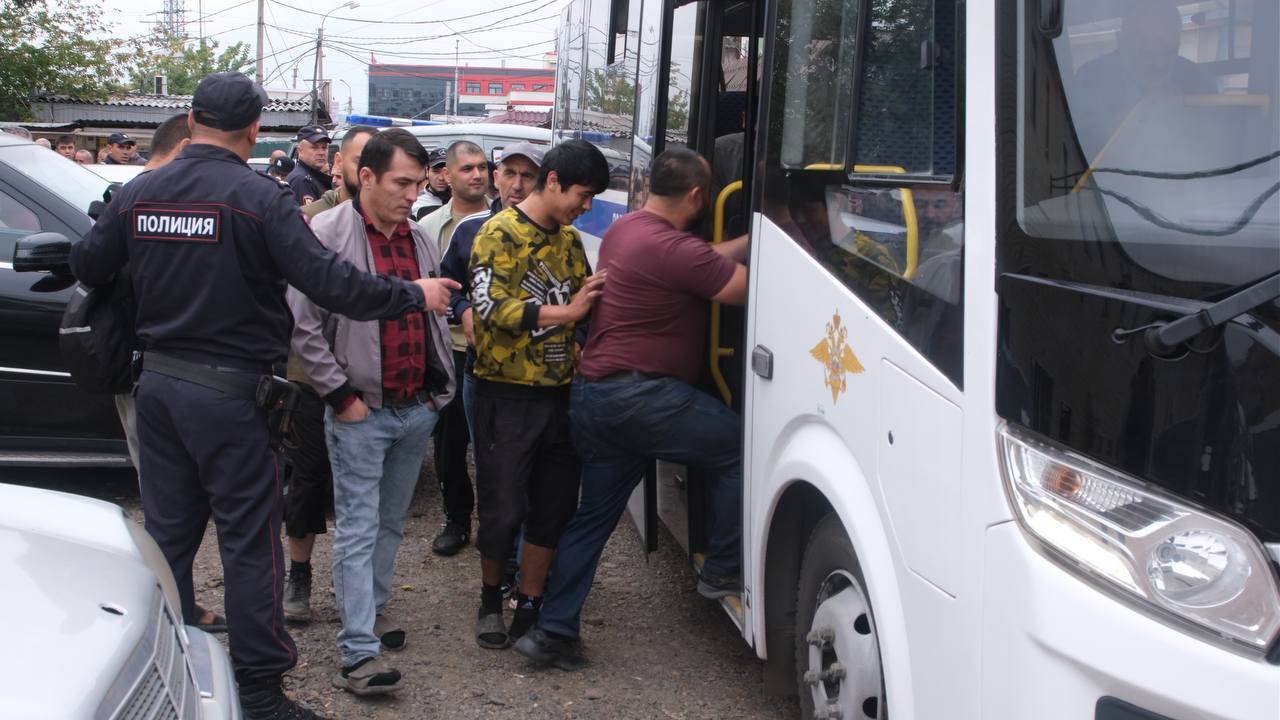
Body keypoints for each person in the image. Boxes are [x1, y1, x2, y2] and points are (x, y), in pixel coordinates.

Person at [67, 71, 456, 720]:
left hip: (159, 388)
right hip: (228, 397)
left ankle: (166, 644)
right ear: (253, 130)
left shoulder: (141, 192)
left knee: (167, 534)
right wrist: (413, 293)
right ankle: (257, 691)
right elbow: (332, 284)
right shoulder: (258, 198)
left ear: (191, 119)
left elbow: (87, 265)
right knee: (249, 543)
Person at [515, 148, 749, 670]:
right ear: (696, 196)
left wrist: (756, 241)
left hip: (597, 396)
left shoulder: (629, 230)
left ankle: (552, 632)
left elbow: (702, 257)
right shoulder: (675, 250)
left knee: (593, 519)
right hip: (643, 400)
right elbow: (743, 288)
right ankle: (723, 568)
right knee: (737, 447)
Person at [288, 128, 455, 696]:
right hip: (360, 409)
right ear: (366, 177)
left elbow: (436, 318)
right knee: (358, 527)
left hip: (415, 408)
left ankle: (370, 614)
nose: (413, 194)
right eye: (401, 183)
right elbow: (303, 326)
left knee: (389, 523)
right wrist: (341, 396)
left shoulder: (419, 237)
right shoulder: (326, 233)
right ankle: (358, 652)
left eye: (416, 183)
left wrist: (437, 396)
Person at [467, 138, 608, 650]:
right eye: (583, 194)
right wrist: (566, 315)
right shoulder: (497, 233)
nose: (585, 206)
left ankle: (529, 602)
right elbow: (490, 308)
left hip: (560, 396)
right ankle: (489, 599)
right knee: (502, 507)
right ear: (554, 182)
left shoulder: (570, 243)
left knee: (552, 507)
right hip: (504, 395)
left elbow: (585, 301)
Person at [281, 123, 377, 624]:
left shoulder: (391, 228)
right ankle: (298, 573)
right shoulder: (312, 219)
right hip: (312, 375)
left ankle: (358, 588)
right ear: (339, 164)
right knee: (309, 478)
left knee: (364, 488)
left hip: (369, 373)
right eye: (359, 161)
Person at [440, 141, 544, 433]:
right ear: (496, 177)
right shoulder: (471, 229)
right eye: (510, 173)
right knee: (490, 465)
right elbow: (446, 288)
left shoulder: (561, 234)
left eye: (528, 176)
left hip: (544, 379)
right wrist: (463, 311)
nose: (518, 185)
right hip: (485, 372)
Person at [417, 140, 490, 556]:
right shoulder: (428, 226)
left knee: (493, 441)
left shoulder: (503, 220)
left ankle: (493, 523)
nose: (476, 175)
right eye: (466, 169)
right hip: (446, 347)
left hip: (489, 351)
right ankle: (457, 518)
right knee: (449, 441)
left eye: (482, 167)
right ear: (446, 173)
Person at [1073, 2, 1214, 153]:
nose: (1160, 64)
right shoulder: (1090, 80)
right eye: (1147, 52)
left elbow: (1216, 142)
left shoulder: (1196, 79)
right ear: (1121, 41)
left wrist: (1187, 118)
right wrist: (1136, 116)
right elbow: (1077, 151)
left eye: (1170, 51)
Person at [299, 126, 375, 222]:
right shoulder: (310, 218)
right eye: (360, 162)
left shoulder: (390, 217)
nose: (368, 172)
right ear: (339, 161)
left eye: (324, 147)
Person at [287, 124, 332, 205]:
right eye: (314, 147)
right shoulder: (302, 180)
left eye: (324, 147)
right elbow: (308, 216)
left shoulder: (313, 177)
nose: (321, 153)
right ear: (300, 151)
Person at [411, 147, 452, 220]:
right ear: (427, 171)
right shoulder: (415, 203)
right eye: (436, 171)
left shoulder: (462, 200)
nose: (441, 178)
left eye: (446, 172)